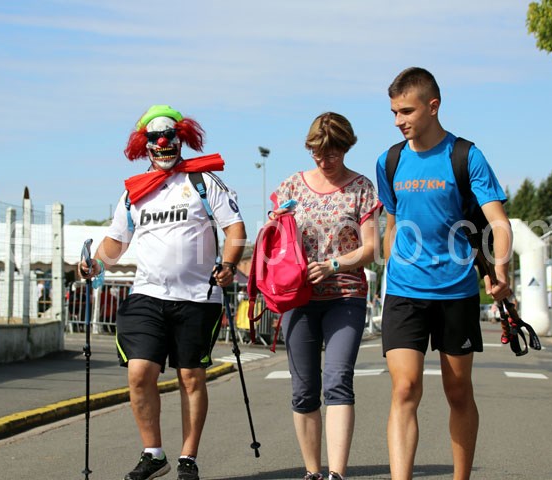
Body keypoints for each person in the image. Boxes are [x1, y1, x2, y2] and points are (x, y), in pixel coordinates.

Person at [80, 105, 246, 480]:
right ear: (145, 144)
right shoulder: (134, 192)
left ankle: (188, 458)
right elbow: (115, 242)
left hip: (198, 297)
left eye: (169, 136)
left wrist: (229, 264)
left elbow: (235, 228)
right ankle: (153, 454)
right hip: (147, 295)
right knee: (140, 372)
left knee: (191, 377)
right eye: (155, 138)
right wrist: (96, 264)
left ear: (181, 138)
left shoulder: (203, 181)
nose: (162, 143)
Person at [375, 67, 512, 480]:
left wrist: (500, 269)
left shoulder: (466, 156)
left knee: (458, 392)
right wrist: (386, 274)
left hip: (456, 291)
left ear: (433, 106)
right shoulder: (389, 161)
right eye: (394, 112)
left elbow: (499, 222)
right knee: (404, 388)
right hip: (404, 290)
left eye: (406, 111)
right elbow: (392, 225)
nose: (398, 121)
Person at [270, 112, 380, 480]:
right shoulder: (291, 187)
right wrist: (274, 225)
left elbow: (371, 249)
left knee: (337, 380)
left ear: (346, 148)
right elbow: (276, 241)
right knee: (303, 390)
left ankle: (337, 474)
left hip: (345, 296)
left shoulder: (361, 188)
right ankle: (312, 472)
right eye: (317, 153)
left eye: (332, 153)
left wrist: (333, 265)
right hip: (298, 299)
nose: (324, 160)